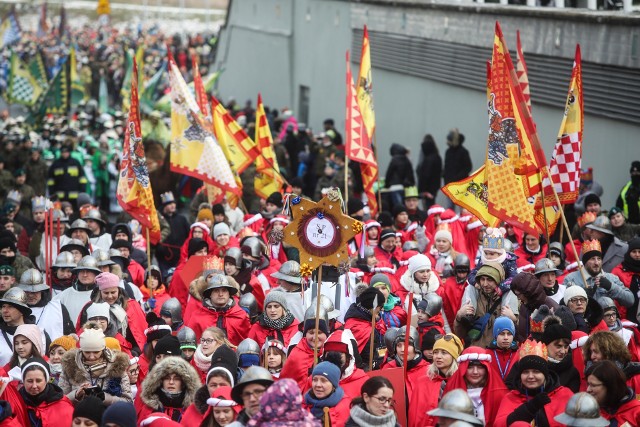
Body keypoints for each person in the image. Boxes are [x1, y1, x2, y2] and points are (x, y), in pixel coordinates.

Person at [494, 340, 574, 427]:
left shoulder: (564, 394)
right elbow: (499, 424)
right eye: (525, 372)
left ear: (545, 374)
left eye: (536, 371)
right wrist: (530, 408)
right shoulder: (511, 397)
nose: (530, 376)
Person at [58, 325, 132, 405]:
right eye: (87, 352)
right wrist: (76, 395)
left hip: (107, 415)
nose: (92, 357)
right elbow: (61, 402)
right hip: (79, 415)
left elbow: (128, 402)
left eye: (96, 352)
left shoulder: (117, 366)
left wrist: (105, 397)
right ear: (81, 350)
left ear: (103, 350)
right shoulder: (70, 366)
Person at [455, 262, 518, 348]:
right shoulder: (473, 297)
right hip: (476, 352)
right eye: (482, 279)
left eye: (490, 280)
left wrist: (514, 319)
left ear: (498, 279)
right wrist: (459, 317)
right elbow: (460, 334)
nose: (485, 284)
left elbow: (519, 335)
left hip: (499, 353)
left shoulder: (508, 297)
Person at [442, 347, 508, 426]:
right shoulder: (451, 390)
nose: (475, 372)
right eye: (470, 367)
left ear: (487, 369)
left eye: (480, 367)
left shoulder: (499, 393)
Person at [409, 333, 464, 427]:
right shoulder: (423, 382)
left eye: (444, 352)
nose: (438, 356)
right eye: (435, 352)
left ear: (454, 356)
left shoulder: (462, 381)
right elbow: (415, 416)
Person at [563, 239, 633, 310]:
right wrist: (582, 295)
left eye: (599, 259)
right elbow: (564, 304)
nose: (596, 263)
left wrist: (611, 287)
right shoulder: (571, 279)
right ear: (585, 262)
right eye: (592, 259)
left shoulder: (611, 278)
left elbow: (630, 300)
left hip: (608, 319)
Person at [186, 274, 249, 346]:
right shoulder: (197, 317)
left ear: (229, 294)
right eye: (216, 291)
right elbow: (191, 346)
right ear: (210, 294)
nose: (220, 294)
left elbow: (247, 345)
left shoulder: (241, 315)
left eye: (224, 290)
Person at [135, 356, 201, 422]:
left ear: (184, 382)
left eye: (176, 379)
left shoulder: (191, 411)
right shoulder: (149, 409)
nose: (171, 382)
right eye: (167, 378)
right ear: (160, 381)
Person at [14, 357, 74, 426]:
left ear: (46, 380)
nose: (34, 386)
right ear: (23, 381)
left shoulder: (64, 408)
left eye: (38, 381)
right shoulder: (15, 404)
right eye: (30, 381)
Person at [585, 360, 640, 425]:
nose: (588, 390)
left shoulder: (637, 412)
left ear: (610, 386)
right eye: (588, 384)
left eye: (593, 385)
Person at [510, 272, 560, 342]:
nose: (518, 298)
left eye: (519, 294)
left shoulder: (551, 307)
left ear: (528, 292)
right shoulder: (524, 306)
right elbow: (522, 334)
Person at [303, 361, 351, 426]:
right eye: (315, 380)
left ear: (333, 385)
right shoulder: (304, 403)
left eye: (323, 380)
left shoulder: (344, 407)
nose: (318, 385)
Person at [611, 237, 640, 323]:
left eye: (639, 251)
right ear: (628, 253)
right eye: (634, 252)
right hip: (624, 316)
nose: (637, 254)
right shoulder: (617, 271)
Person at [442, 128, 472, 208]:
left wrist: (457, 177)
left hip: (460, 184)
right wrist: (445, 178)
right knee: (450, 207)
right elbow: (446, 167)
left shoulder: (463, 152)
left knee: (462, 206)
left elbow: (468, 167)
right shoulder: (448, 152)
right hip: (450, 184)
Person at [416, 134, 442, 210]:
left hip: (427, 189)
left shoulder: (428, 159)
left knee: (427, 208)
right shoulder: (437, 157)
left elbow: (425, 175)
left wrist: (422, 189)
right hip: (434, 187)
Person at [385, 143, 415, 208]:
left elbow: (389, 173)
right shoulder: (406, 159)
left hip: (394, 186)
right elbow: (410, 173)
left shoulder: (394, 159)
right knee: (404, 206)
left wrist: (386, 184)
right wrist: (412, 184)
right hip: (404, 187)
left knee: (397, 207)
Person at [615, 160, 640, 225]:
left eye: (637, 172)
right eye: (633, 173)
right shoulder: (626, 188)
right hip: (628, 224)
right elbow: (618, 206)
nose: (635, 174)